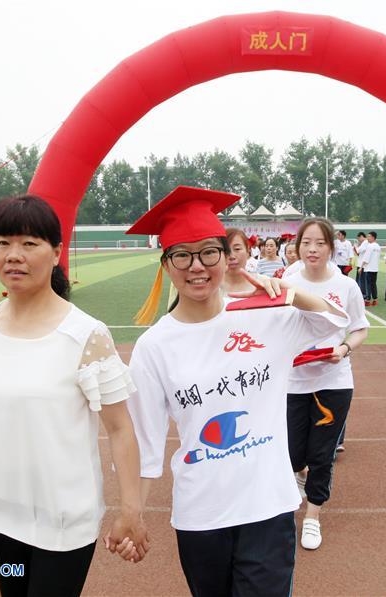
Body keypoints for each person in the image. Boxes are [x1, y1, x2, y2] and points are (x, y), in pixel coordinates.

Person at [125, 186, 349, 597]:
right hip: (200, 513)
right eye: (182, 255)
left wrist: (290, 293)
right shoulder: (154, 346)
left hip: (268, 505)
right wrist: (132, 512)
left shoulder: (265, 317)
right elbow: (145, 443)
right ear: (166, 265)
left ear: (226, 257)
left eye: (209, 252)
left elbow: (337, 322)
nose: (198, 266)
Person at [0, 196, 147, 597]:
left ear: (56, 252)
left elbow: (120, 429)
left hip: (65, 521)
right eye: (3, 242)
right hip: (0, 516)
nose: (14, 256)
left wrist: (131, 510)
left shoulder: (86, 334)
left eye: (29, 244)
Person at [284, 217, 370, 550]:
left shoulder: (346, 286)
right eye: (307, 242)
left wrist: (345, 348)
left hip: (332, 381)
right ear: (297, 246)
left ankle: (311, 516)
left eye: (320, 243)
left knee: (322, 454)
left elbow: (360, 329)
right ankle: (299, 479)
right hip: (292, 380)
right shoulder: (289, 279)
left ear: (332, 247)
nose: (313, 249)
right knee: (291, 454)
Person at [223, 228, 257, 295]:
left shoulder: (262, 283)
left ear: (248, 250)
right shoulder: (211, 288)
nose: (232, 256)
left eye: (237, 249)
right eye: (226, 250)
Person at [362, 232, 381, 306]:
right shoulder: (378, 246)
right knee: (373, 284)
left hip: (369, 268)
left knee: (368, 285)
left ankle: (367, 300)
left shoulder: (370, 246)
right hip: (375, 268)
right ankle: (375, 300)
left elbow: (366, 258)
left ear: (373, 237)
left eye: (369, 236)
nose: (367, 238)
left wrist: (361, 267)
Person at [354, 232, 368, 299]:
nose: (358, 240)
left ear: (362, 236)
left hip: (361, 265)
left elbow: (358, 251)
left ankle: (363, 294)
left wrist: (356, 246)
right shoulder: (365, 243)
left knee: (361, 280)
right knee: (361, 280)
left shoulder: (365, 242)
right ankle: (362, 294)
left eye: (359, 238)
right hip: (362, 264)